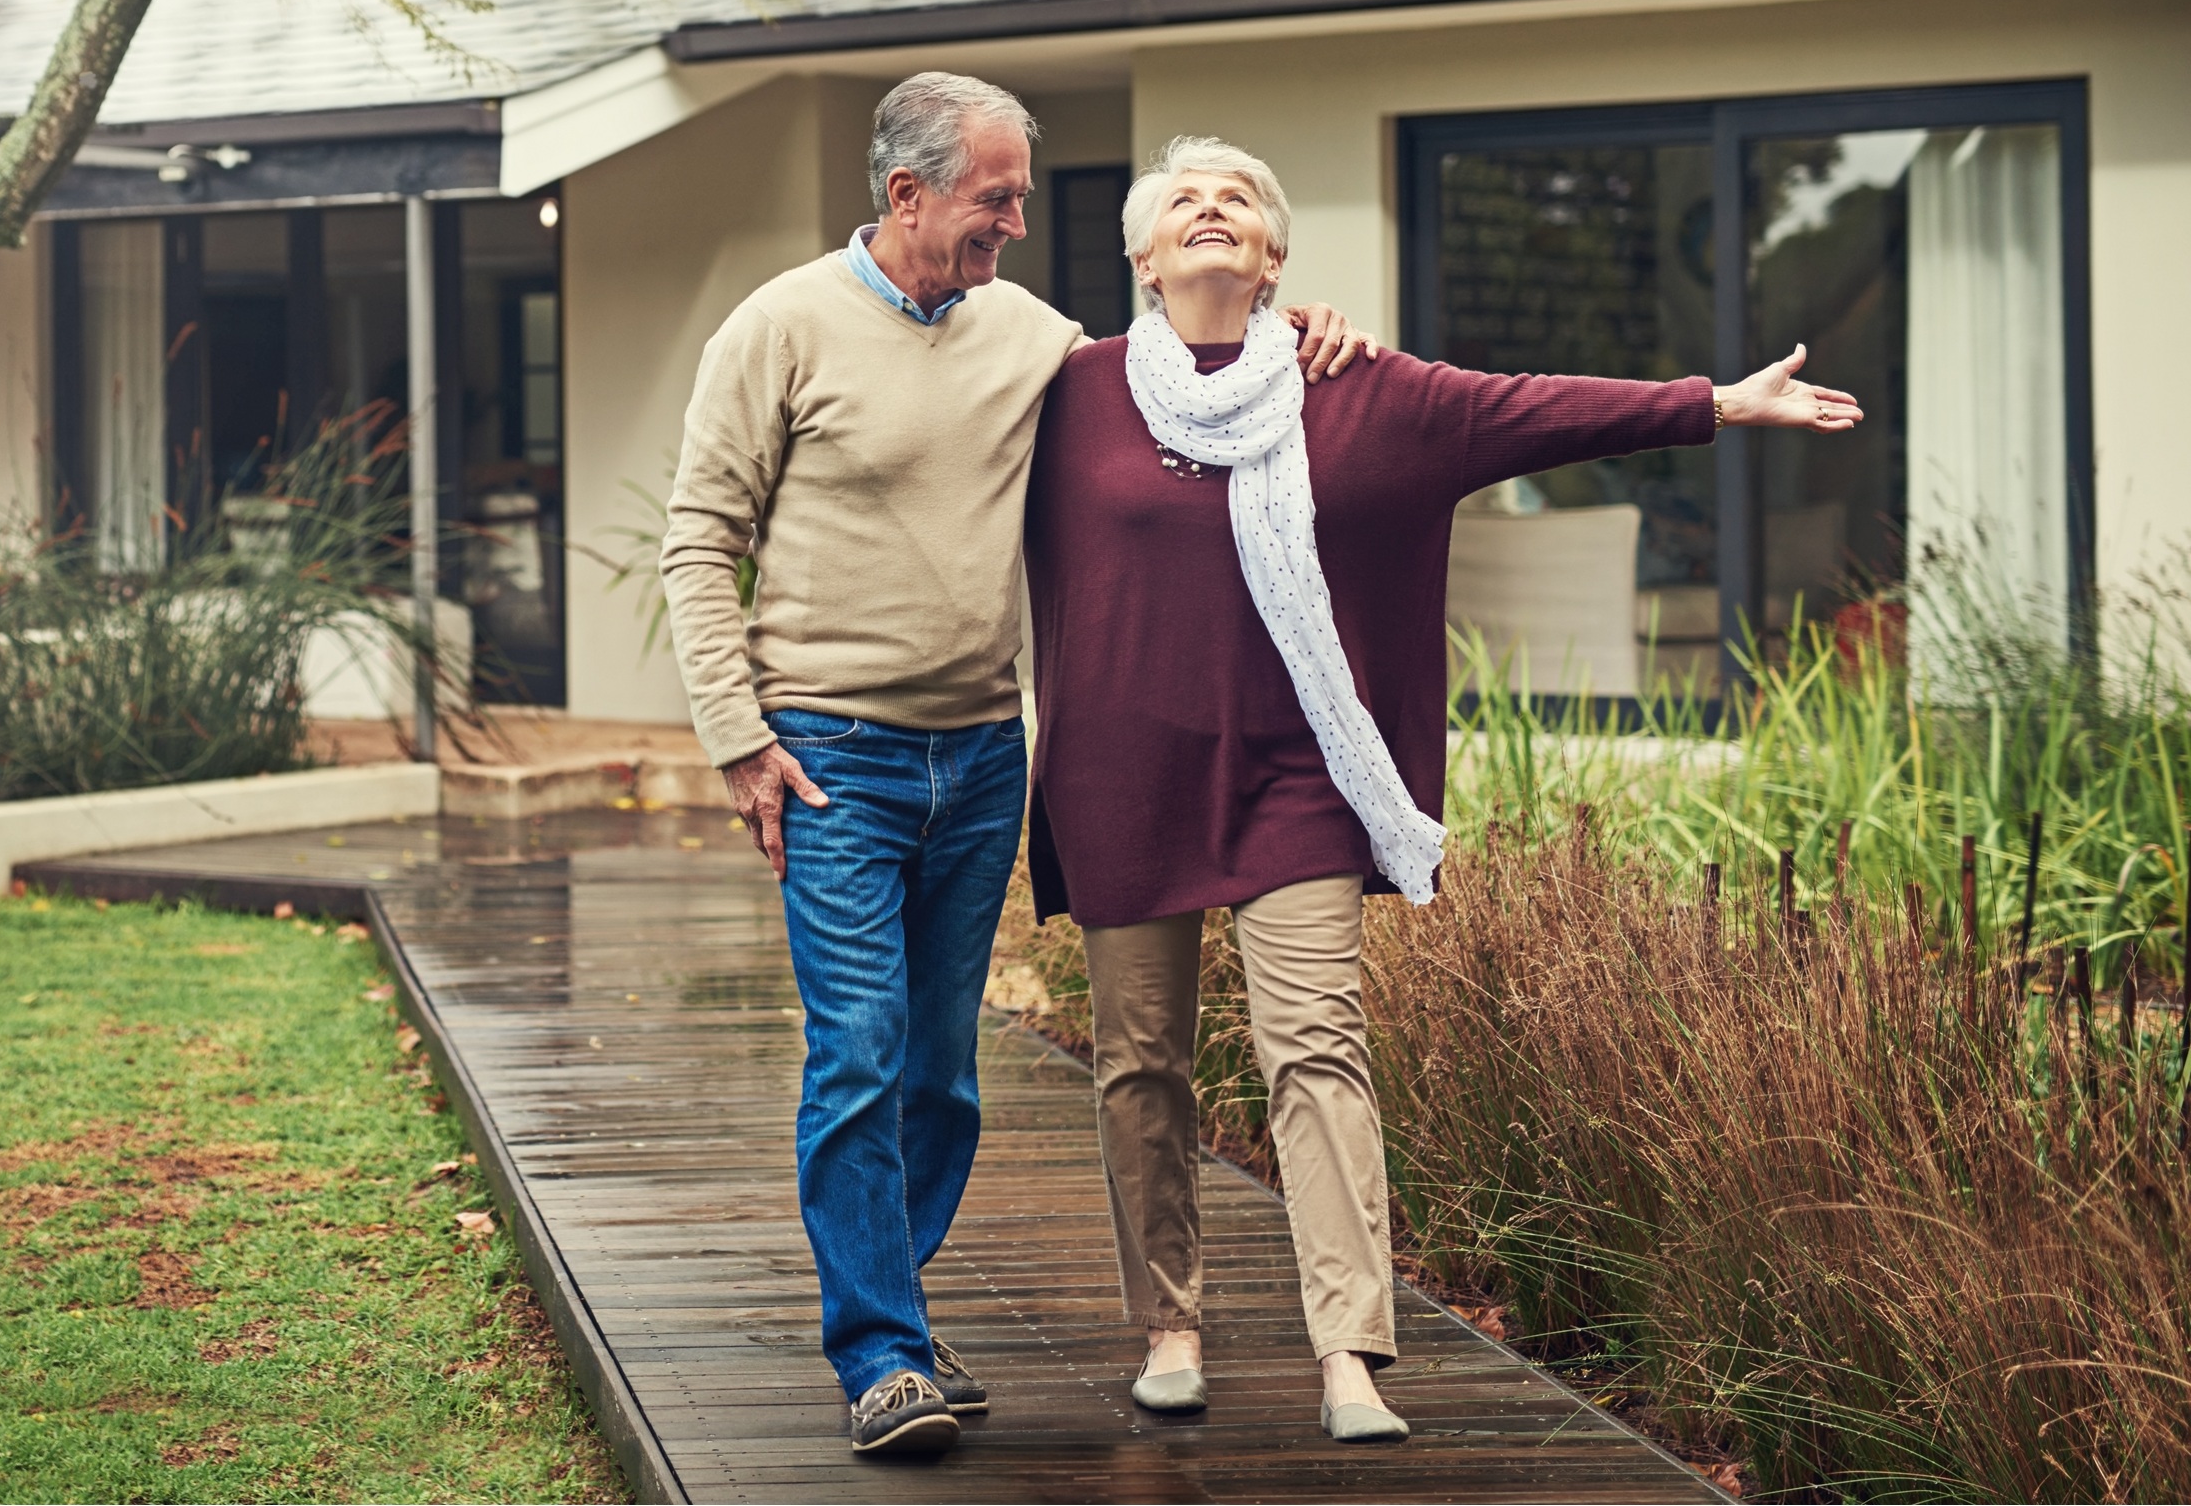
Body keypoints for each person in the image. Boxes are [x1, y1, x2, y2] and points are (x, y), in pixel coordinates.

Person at [1022, 136, 1861, 1444]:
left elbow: (1527, 407)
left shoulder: (1357, 390)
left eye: (1238, 197)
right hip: (1124, 771)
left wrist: (1718, 404)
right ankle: (1170, 1326)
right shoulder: (1067, 392)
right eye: (1181, 199)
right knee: (1142, 1061)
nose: (1209, 209)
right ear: (1140, 256)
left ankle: (1349, 1350)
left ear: (1274, 255)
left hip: (1302, 773)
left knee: (1317, 1047)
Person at [658, 79, 1374, 1458]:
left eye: (1023, 196)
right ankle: (877, 1353)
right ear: (908, 193)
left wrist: (1305, 330)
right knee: (857, 1055)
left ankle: (901, 1317)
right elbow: (700, 538)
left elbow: (1181, 370)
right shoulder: (781, 327)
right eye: (996, 195)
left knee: (940, 1075)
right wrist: (741, 737)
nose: (1017, 220)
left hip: (985, 757)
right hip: (831, 759)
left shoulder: (1039, 341)